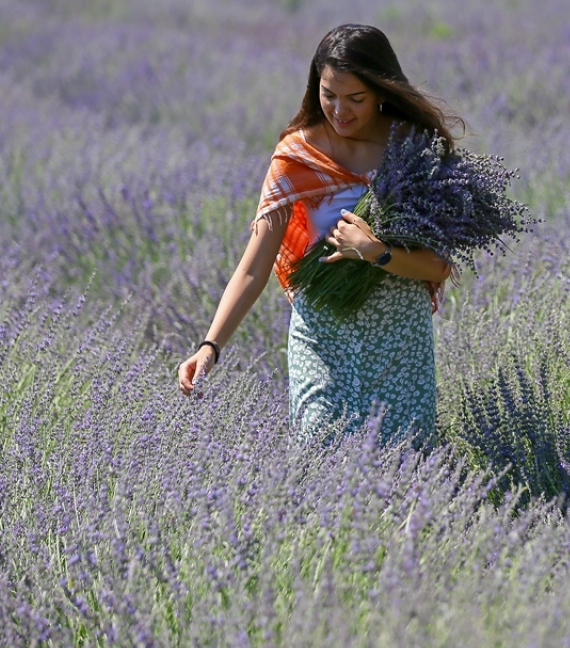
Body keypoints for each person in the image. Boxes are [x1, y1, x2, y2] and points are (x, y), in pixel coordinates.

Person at [177, 24, 458, 446]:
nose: (340, 110)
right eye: (329, 95)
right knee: (318, 450)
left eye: (356, 99)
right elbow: (254, 266)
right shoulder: (296, 157)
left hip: (399, 337)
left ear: (382, 92)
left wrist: (374, 252)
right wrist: (209, 346)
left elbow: (436, 264)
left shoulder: (414, 150)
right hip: (322, 334)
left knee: (407, 462)